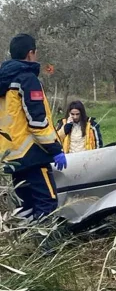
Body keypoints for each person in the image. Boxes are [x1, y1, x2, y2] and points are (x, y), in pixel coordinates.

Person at [0, 33, 67, 222]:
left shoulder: (3, 82)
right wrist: (55, 149)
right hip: (33, 155)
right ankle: (47, 250)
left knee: (25, 206)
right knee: (47, 202)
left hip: (11, 157)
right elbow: (37, 122)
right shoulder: (27, 79)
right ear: (31, 54)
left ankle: (27, 245)